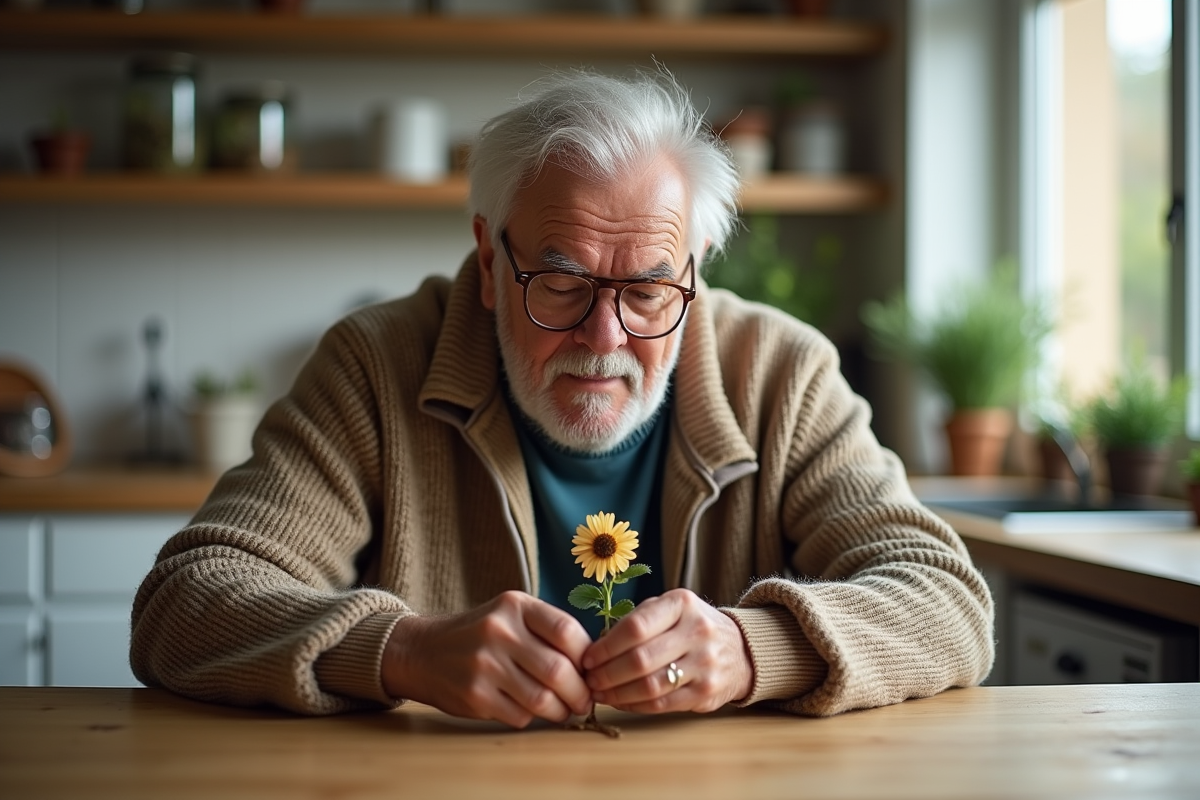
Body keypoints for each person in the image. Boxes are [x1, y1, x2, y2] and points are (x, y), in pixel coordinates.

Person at [130, 70, 994, 728]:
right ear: (489, 263)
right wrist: (401, 650)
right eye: (562, 281)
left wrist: (751, 648)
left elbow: (947, 601)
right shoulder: (375, 366)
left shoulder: (783, 374)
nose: (605, 337)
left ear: (693, 272)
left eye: (650, 291)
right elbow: (184, 602)